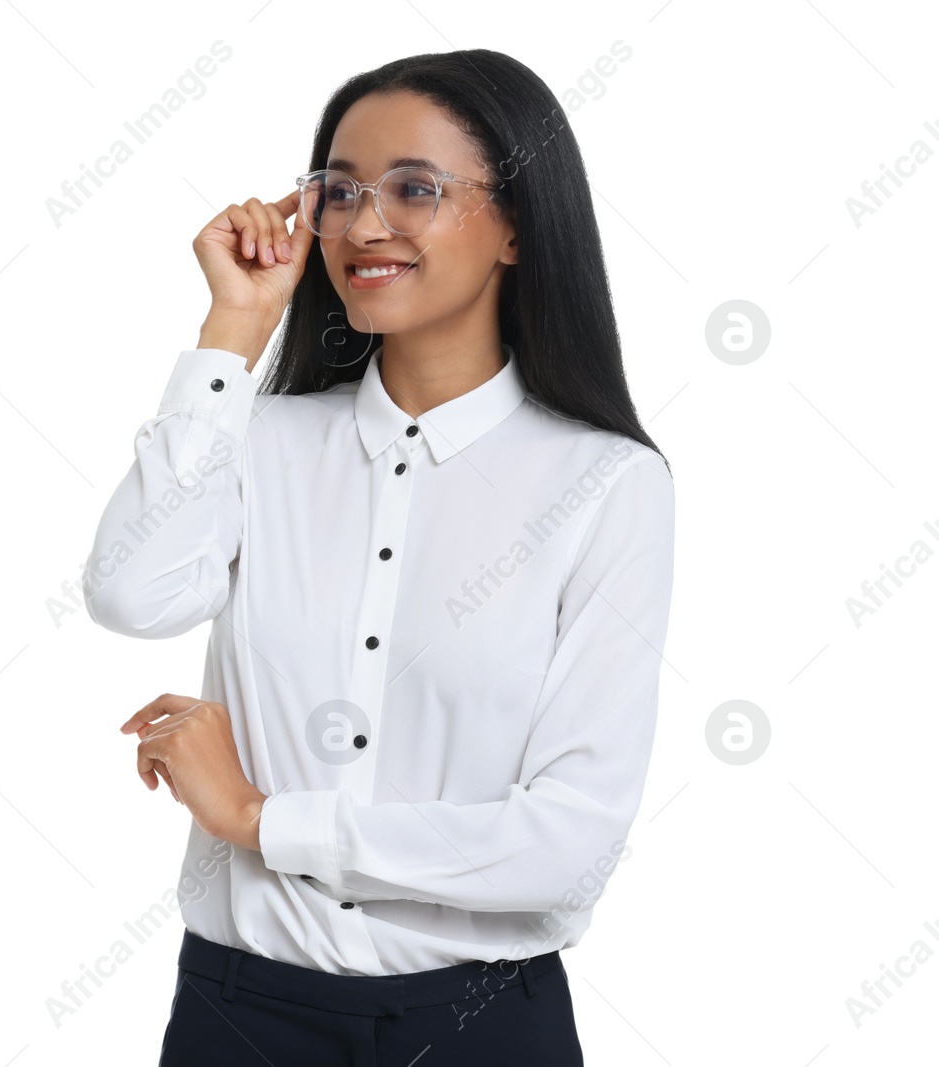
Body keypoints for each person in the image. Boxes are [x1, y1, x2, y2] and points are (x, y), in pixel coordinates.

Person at [82, 48, 676, 1064]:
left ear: (518, 226)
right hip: (241, 1015)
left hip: (483, 1026)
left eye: (414, 189)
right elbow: (130, 593)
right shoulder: (258, 439)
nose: (363, 226)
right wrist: (231, 331)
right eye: (340, 191)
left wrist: (259, 818)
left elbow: (566, 845)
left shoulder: (606, 483)